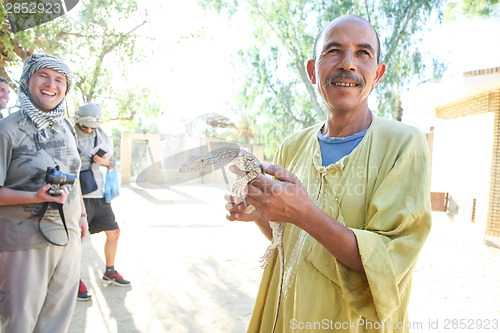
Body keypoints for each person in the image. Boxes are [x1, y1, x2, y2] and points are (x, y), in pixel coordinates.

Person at [225, 15, 432, 333]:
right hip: (288, 315)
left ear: (377, 74)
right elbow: (292, 242)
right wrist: (259, 214)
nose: (348, 64)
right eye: (334, 50)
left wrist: (305, 213)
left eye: (363, 52)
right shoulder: (292, 147)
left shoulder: (405, 144)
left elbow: (388, 265)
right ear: (312, 71)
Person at [0, 53, 88, 333]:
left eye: (59, 79)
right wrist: (34, 197)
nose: (52, 84)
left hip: (69, 235)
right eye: (43, 76)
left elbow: (74, 176)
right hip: (24, 240)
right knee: (20, 320)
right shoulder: (8, 129)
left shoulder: (65, 127)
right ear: (27, 81)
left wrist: (82, 216)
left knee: (57, 318)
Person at [74, 102, 130, 300]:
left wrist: (105, 162)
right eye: (85, 126)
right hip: (77, 197)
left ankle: (109, 271)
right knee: (75, 241)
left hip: (99, 194)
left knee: (114, 232)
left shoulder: (101, 134)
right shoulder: (69, 134)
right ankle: (72, 281)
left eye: (92, 126)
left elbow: (112, 161)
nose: (89, 130)